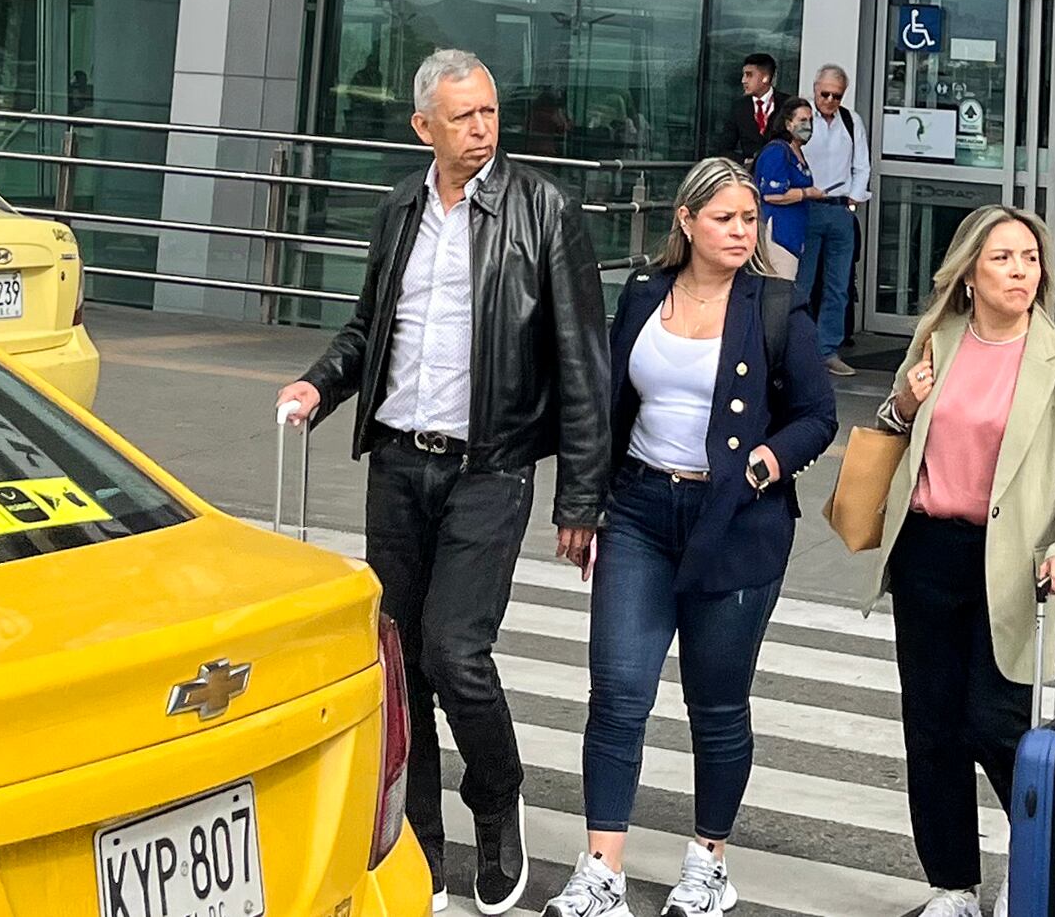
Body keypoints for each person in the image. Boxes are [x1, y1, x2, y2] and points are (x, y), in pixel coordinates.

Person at [280, 50, 607, 915]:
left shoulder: (543, 211)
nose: (481, 129)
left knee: (456, 651)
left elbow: (582, 361)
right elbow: (367, 327)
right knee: (403, 659)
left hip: (489, 468)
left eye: (489, 113)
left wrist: (581, 497)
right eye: (462, 116)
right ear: (423, 125)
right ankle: (416, 838)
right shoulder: (398, 210)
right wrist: (320, 382)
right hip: (397, 460)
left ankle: (496, 803)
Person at [543, 160, 835, 917]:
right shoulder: (643, 294)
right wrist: (582, 503)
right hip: (639, 508)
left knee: (716, 703)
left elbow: (816, 413)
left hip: (734, 522)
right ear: (686, 220)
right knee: (617, 693)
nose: (742, 231)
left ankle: (709, 860)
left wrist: (765, 463)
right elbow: (607, 404)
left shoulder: (776, 303)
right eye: (726, 218)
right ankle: (601, 869)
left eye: (749, 218)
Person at [856, 205, 1055, 917]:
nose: (1019, 270)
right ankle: (952, 887)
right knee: (931, 728)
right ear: (968, 271)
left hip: (1012, 565)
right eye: (1002, 257)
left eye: (1029, 258)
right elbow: (895, 425)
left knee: (996, 724)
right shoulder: (936, 339)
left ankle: (1035, 877)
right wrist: (902, 404)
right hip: (928, 553)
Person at [798, 63, 873, 375]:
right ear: (815, 89)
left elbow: (862, 163)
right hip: (808, 206)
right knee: (802, 283)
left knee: (838, 285)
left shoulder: (850, 120)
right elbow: (791, 153)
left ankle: (828, 349)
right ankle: (797, 347)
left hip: (840, 208)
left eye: (836, 95)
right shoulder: (802, 118)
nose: (829, 100)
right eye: (824, 93)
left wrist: (854, 197)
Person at [751, 106, 816, 269]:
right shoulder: (777, 151)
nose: (808, 125)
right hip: (777, 235)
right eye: (802, 120)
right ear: (788, 124)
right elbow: (771, 195)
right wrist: (807, 193)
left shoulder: (796, 152)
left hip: (794, 234)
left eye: (810, 120)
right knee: (777, 289)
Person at [714, 52, 796, 161]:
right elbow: (724, 148)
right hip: (750, 174)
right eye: (744, 75)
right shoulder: (739, 107)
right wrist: (745, 161)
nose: (743, 80)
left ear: (765, 78)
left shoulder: (788, 104)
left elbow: (798, 142)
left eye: (749, 75)